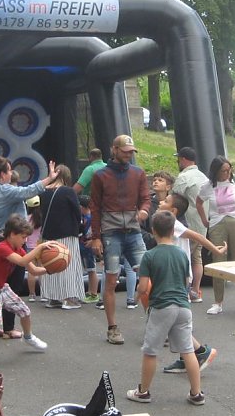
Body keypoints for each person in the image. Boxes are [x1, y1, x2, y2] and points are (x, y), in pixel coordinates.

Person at [126, 210, 206, 406]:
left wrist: (136, 296)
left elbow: (144, 287)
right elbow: (186, 281)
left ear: (153, 231)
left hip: (162, 306)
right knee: (187, 350)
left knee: (150, 350)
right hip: (183, 306)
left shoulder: (150, 256)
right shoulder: (181, 254)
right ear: (173, 231)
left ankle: (143, 391)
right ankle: (197, 393)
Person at [0, 156, 56, 339]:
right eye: (9, 170)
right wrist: (50, 178)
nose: (11, 173)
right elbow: (29, 191)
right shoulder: (3, 190)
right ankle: (7, 327)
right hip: (5, 242)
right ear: (2, 175)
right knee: (11, 285)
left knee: (0, 284)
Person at [88, 134, 151, 345]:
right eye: (125, 151)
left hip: (133, 230)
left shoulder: (138, 173)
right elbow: (94, 207)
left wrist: (143, 210)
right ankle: (112, 327)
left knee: (146, 277)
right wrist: (96, 236)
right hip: (110, 231)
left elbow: (145, 198)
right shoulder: (101, 175)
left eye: (131, 152)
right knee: (111, 280)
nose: (129, 155)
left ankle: (154, 324)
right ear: (114, 150)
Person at [157, 192, 227, 375]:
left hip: (178, 278)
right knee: (174, 321)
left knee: (174, 321)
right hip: (172, 276)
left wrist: (215, 250)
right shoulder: (166, 224)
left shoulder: (174, 224)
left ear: (173, 210)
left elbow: (197, 236)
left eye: (165, 201)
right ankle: (185, 357)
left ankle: (202, 351)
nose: (160, 201)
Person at [0, 215, 50, 370]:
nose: (25, 240)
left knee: (25, 311)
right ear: (12, 234)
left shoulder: (18, 248)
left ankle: (28, 337)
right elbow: (21, 262)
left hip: (1, 287)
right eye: (23, 237)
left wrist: (51, 269)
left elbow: (33, 269)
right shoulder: (2, 247)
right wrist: (39, 248)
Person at [196, 156, 235, 315]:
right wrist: (204, 219)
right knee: (218, 261)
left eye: (229, 170)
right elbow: (199, 202)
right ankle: (218, 302)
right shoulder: (208, 186)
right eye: (224, 171)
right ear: (216, 171)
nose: (227, 173)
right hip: (217, 223)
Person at [38, 165, 85, 310]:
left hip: (48, 235)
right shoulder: (68, 191)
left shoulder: (44, 192)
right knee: (67, 264)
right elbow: (77, 213)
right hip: (67, 234)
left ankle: (53, 298)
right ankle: (69, 298)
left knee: (51, 264)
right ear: (67, 176)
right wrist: (80, 227)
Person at [172, 147, 210, 302]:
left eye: (179, 159)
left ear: (183, 159)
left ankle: (184, 292)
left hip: (187, 224)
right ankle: (195, 290)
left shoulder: (184, 177)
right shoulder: (204, 177)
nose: (178, 161)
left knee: (184, 258)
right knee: (197, 257)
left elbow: (174, 197)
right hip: (201, 223)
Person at [78, 195, 101, 303]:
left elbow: (98, 231)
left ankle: (94, 293)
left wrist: (92, 241)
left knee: (92, 270)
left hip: (89, 247)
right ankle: (89, 291)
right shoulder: (81, 217)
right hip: (82, 245)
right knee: (88, 269)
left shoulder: (92, 218)